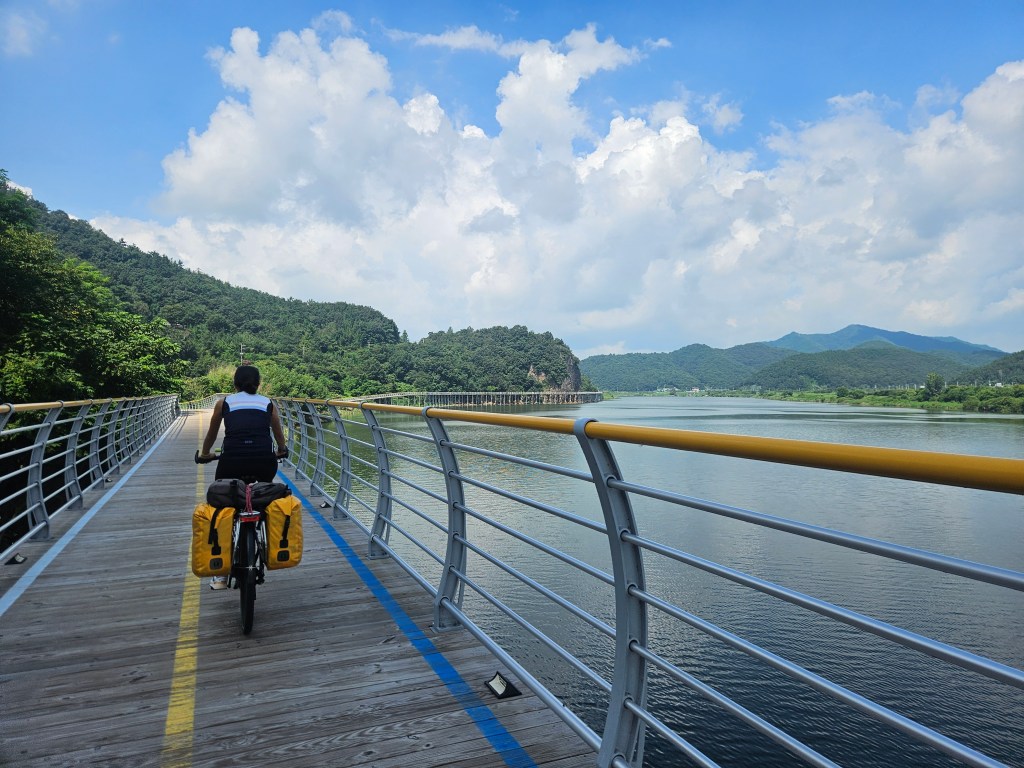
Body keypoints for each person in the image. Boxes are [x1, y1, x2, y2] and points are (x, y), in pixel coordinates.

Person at [198, 364, 288, 589]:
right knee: (265, 498)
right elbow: (278, 435)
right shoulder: (268, 403)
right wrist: (281, 450)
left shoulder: (224, 403)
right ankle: (270, 543)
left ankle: (220, 574)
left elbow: (211, 433)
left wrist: (206, 454)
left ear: (235, 384)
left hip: (232, 461)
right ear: (258, 384)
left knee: (222, 504)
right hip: (264, 461)